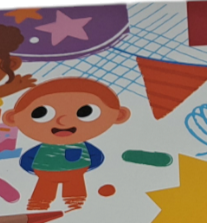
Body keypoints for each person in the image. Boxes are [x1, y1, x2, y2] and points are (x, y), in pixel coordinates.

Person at [8, 77, 130, 212]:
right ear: (12, 118)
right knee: (44, 191)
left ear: (120, 115)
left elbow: (96, 156)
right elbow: (27, 158)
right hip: (47, 173)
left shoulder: (79, 146)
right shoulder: (46, 148)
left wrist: (88, 165)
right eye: (40, 113)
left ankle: (75, 206)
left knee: (75, 191)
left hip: (74, 172)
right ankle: (39, 205)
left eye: (85, 112)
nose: (63, 121)